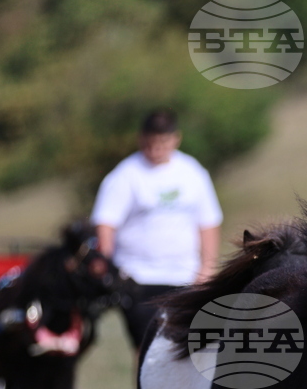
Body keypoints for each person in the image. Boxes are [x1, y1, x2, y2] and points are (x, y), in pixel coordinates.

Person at [91, 110, 222, 349]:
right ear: (141, 139)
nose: (156, 149)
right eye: (150, 143)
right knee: (148, 348)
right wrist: (106, 265)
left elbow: (208, 222)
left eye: (162, 142)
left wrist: (208, 268)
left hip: (185, 276)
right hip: (138, 277)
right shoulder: (126, 174)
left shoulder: (193, 172)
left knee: (186, 348)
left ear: (176, 139)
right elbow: (106, 223)